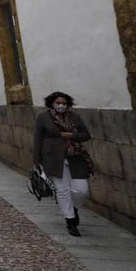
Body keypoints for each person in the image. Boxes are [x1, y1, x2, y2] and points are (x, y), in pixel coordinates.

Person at [32, 91, 94, 236]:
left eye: (64, 103)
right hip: (53, 158)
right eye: (58, 103)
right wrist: (36, 160)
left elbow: (86, 135)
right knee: (63, 190)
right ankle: (70, 220)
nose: (61, 105)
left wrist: (72, 135)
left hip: (75, 157)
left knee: (81, 190)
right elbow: (37, 139)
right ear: (52, 103)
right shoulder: (43, 118)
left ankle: (74, 208)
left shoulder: (74, 117)